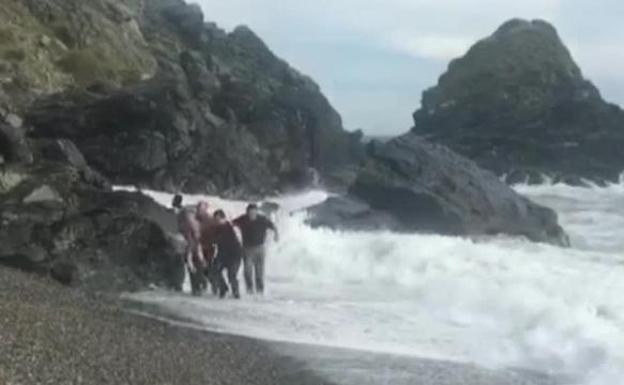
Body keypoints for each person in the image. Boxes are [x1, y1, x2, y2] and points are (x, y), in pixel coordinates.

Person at [233, 204, 279, 295]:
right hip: (247, 249)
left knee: (259, 273)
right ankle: (249, 290)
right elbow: (231, 224)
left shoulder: (262, 219)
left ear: (256, 212)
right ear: (247, 212)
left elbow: (273, 226)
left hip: (260, 249)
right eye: (250, 213)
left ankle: (260, 292)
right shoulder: (242, 219)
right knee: (247, 271)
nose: (252, 215)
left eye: (254, 212)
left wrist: (276, 235)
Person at [172, 194, 206, 296]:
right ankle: (199, 286)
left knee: (192, 265)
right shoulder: (188, 214)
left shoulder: (184, 214)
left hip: (191, 243)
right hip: (192, 243)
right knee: (194, 265)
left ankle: (197, 287)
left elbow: (191, 230)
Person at [212, 210, 243, 299]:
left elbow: (238, 240)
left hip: (235, 254)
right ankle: (223, 288)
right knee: (215, 271)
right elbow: (215, 241)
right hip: (223, 254)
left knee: (231, 275)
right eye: (215, 220)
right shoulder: (217, 228)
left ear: (223, 218)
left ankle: (236, 293)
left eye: (218, 220)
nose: (217, 222)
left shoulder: (231, 227)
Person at [196, 200, 220, 295]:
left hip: (209, 247)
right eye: (198, 208)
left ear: (206, 209)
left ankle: (214, 287)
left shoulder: (211, 220)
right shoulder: (196, 218)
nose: (199, 210)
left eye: (201, 209)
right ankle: (203, 286)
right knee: (200, 267)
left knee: (208, 267)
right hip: (200, 246)